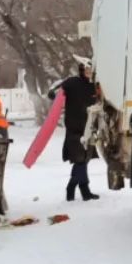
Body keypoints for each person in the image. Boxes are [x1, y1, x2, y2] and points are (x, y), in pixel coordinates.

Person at [49, 62, 100, 202]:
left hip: (88, 128)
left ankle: (80, 190)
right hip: (74, 128)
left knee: (84, 160)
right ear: (81, 70)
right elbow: (53, 93)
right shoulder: (72, 82)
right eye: (87, 70)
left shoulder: (94, 85)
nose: (89, 72)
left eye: (91, 70)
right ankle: (76, 189)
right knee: (80, 160)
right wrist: (57, 94)